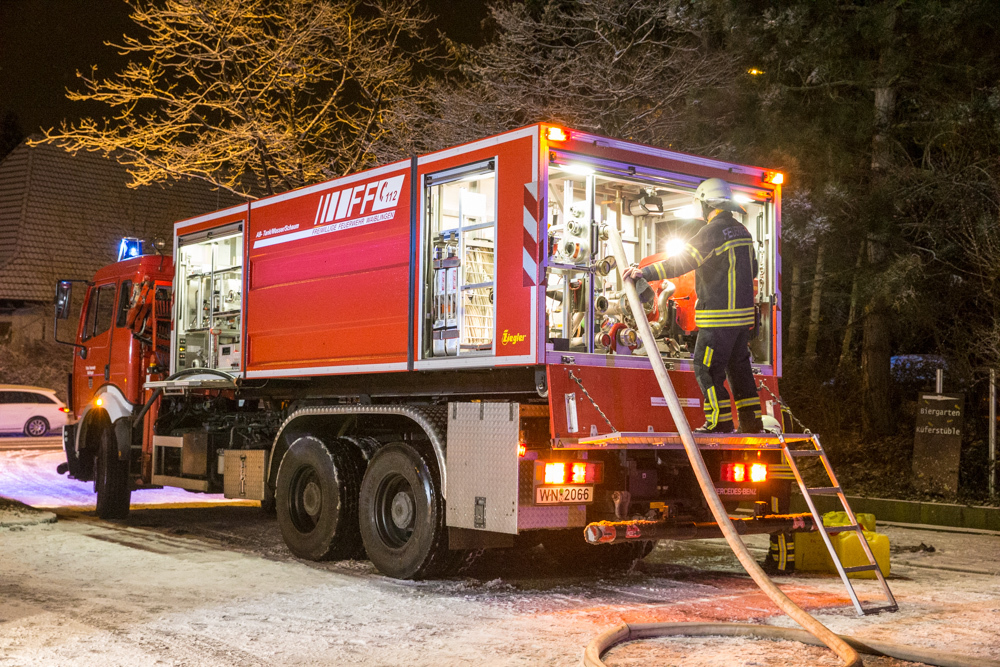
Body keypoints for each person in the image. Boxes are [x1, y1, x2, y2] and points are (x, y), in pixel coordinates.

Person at [623, 178, 763, 434]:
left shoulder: (711, 232)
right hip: (742, 322)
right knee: (740, 371)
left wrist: (645, 272)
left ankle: (719, 422)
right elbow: (753, 270)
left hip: (718, 320)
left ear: (707, 204)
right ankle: (752, 424)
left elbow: (681, 263)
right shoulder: (743, 232)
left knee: (706, 369)